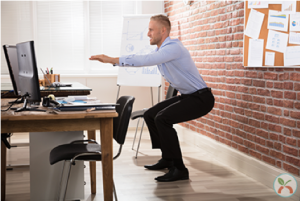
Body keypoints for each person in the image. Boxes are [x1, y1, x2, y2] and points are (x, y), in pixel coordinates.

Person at [89, 14, 215, 182]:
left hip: (201, 99)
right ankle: (168, 158)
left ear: (163, 30)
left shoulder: (173, 48)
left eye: (151, 29)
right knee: (150, 114)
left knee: (163, 119)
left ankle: (179, 168)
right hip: (188, 96)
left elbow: (146, 60)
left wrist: (111, 59)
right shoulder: (163, 50)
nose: (148, 33)